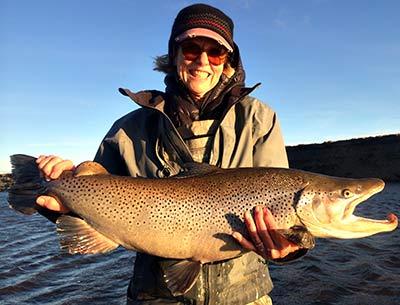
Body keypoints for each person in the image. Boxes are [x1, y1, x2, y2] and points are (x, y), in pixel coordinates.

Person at [35, 4, 306, 305]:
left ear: (228, 61)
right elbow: (88, 193)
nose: (202, 61)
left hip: (244, 296)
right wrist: (58, 190)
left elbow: (286, 211)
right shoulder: (128, 129)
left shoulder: (259, 119)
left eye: (215, 51)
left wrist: (294, 245)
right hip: (154, 296)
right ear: (173, 55)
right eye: (190, 48)